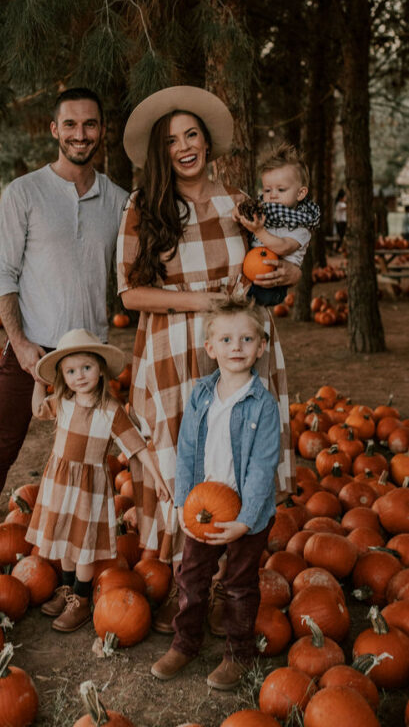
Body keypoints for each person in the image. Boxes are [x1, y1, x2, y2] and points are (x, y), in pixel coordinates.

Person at [116, 85, 298, 632]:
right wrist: (200, 301)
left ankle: (231, 580)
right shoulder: (144, 206)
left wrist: (284, 276)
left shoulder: (240, 201)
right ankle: (190, 585)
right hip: (173, 349)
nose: (184, 146)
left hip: (237, 346)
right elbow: (129, 293)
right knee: (181, 456)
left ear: (207, 141)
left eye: (191, 134)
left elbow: (268, 263)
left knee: (236, 453)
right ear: (160, 151)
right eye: (171, 140)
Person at [0, 88, 129, 572]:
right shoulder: (24, 193)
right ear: (54, 130)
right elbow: (3, 275)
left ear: (101, 130)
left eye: (89, 124)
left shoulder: (117, 201)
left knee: (85, 461)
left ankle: (76, 563)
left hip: (87, 357)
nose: (80, 133)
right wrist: (21, 342)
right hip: (29, 346)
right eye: (70, 124)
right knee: (1, 447)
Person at [151, 298, 279, 689]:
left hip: (247, 516)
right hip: (203, 510)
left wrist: (245, 522)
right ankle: (185, 643)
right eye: (226, 339)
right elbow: (187, 453)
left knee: (239, 586)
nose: (236, 347)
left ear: (260, 347)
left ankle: (239, 653)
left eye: (245, 338)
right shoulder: (200, 395)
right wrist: (182, 505)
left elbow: (262, 467)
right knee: (190, 578)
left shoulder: (265, 405)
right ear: (211, 348)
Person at [24, 329, 169, 632]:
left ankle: (81, 598)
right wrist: (38, 381)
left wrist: (157, 478)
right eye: (71, 371)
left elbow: (137, 447)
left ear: (100, 370)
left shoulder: (111, 411)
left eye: (86, 368)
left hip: (90, 487)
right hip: (61, 482)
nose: (80, 376)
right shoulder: (62, 402)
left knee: (83, 545)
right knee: (64, 538)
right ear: (62, 376)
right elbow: (39, 410)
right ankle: (66, 588)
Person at [234, 143, 320, 306]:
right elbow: (242, 211)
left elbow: (283, 247)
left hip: (273, 283)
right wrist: (238, 211)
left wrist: (259, 231)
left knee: (244, 306)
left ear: (301, 193)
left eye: (281, 190)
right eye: (267, 190)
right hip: (251, 271)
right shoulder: (267, 211)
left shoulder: (301, 225)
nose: (272, 196)